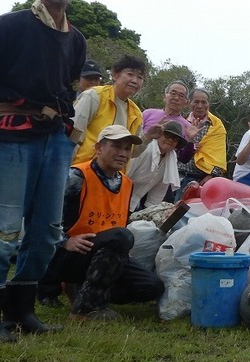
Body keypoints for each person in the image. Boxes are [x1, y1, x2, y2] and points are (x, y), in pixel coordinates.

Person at [0, 0, 86, 342]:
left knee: (47, 230)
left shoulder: (76, 39)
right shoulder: (9, 25)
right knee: (3, 228)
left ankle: (21, 311)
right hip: (10, 136)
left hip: (54, 140)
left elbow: (67, 87)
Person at [38, 125, 165, 319]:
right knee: (121, 236)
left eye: (127, 149)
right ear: (98, 148)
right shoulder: (77, 176)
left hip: (105, 253)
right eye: (116, 146)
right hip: (71, 253)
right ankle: (86, 308)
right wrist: (64, 241)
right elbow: (45, 214)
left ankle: (84, 290)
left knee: (152, 287)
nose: (123, 153)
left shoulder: (126, 184)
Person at [70, 55, 150, 165]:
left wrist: (148, 137)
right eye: (130, 74)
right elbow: (73, 134)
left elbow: (132, 152)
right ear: (115, 75)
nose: (134, 81)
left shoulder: (136, 113)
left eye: (140, 77)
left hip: (113, 174)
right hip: (82, 168)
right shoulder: (95, 96)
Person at [125, 120, 187, 211]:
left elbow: (160, 189)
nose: (170, 140)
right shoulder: (145, 149)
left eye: (175, 139)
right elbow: (126, 172)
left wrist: (150, 210)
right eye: (167, 135)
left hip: (135, 202)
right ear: (159, 135)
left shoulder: (171, 159)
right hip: (120, 194)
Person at [177, 88, 229, 192]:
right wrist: (190, 147)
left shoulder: (216, 126)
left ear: (208, 104)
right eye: (196, 102)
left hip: (204, 180)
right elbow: (172, 148)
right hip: (179, 176)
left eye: (204, 102)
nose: (200, 106)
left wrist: (212, 176)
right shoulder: (181, 122)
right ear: (189, 103)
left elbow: (220, 155)